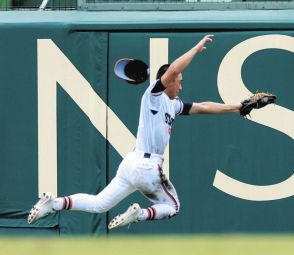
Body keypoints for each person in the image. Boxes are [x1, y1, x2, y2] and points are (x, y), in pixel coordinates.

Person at [28, 34, 242, 229]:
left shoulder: (172, 104)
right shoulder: (153, 95)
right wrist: (195, 49)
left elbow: (203, 107)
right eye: (179, 82)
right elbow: (174, 70)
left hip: (131, 163)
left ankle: (53, 203)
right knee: (173, 206)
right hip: (147, 166)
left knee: (99, 204)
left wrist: (237, 107)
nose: (181, 86)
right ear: (168, 80)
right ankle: (140, 214)